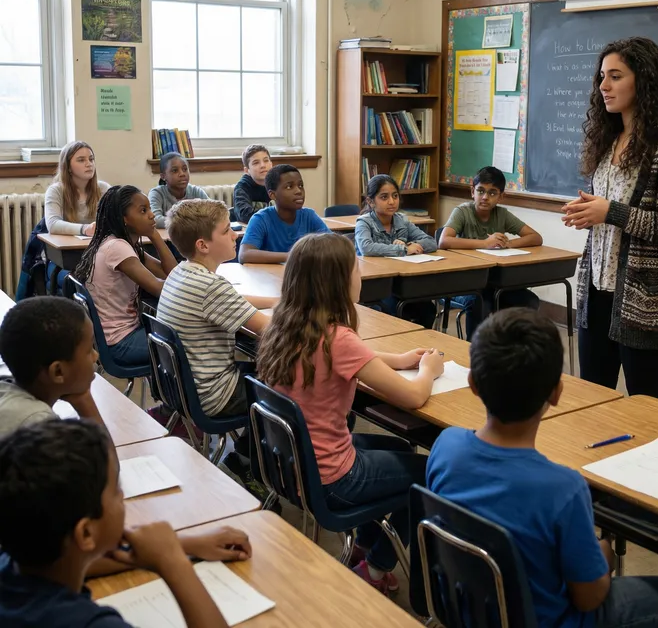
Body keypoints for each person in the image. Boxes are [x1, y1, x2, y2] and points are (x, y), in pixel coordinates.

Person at [427, 308, 658, 628]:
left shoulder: (445, 446)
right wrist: (604, 554)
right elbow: (589, 597)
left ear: (473, 383)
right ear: (557, 393)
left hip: (466, 611)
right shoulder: (563, 488)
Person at [258, 232, 444, 594]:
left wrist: (400, 359)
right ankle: (375, 568)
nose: (360, 276)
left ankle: (363, 542)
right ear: (337, 284)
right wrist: (429, 370)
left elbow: (352, 360)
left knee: (402, 451)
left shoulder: (283, 325)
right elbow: (413, 397)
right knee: (430, 474)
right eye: (355, 270)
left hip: (294, 465)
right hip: (333, 479)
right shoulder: (337, 338)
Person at [0, 419, 252, 628]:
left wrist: (186, 543)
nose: (122, 497)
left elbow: (80, 559)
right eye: (116, 492)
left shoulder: (15, 560)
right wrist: (174, 563)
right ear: (86, 532)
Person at [562, 37, 658, 401]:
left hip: (647, 301)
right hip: (597, 291)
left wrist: (611, 211)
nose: (603, 86)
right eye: (601, 77)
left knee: (647, 402)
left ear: (643, 80)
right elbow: (609, 216)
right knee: (593, 399)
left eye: (615, 76)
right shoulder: (607, 140)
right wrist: (588, 212)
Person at [158, 198, 276, 420]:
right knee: (304, 394)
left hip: (182, 389)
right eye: (227, 230)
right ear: (203, 245)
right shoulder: (210, 287)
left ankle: (247, 450)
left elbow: (233, 300)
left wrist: (275, 301)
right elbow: (273, 330)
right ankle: (249, 453)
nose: (235, 235)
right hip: (216, 395)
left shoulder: (181, 271)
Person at [74, 186, 177, 369]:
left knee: (183, 338)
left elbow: (171, 273)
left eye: (150, 209)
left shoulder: (123, 244)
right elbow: (160, 288)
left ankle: (172, 395)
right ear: (125, 219)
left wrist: (154, 235)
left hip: (119, 335)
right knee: (187, 346)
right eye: (143, 211)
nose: (152, 215)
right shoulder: (117, 248)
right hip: (119, 342)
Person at [438, 165, 543, 339]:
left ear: (501, 197)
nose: (485, 197)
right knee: (479, 303)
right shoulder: (463, 212)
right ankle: (475, 351)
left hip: (493, 282)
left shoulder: (502, 215)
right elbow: (444, 240)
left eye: (492, 193)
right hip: (464, 282)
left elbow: (535, 237)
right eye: (481, 191)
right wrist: (485, 243)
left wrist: (509, 244)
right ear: (472, 192)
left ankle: (511, 350)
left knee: (529, 301)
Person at [0, 297, 102, 439]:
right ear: (58, 372)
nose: (95, 356)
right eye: (89, 350)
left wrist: (81, 397)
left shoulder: (5, 388)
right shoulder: (38, 425)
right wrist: (85, 400)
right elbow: (104, 461)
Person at [355, 174, 437, 328]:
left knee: (428, 310)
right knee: (393, 311)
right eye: (384, 197)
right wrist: (403, 249)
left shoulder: (402, 220)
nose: (391, 202)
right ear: (370, 201)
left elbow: (431, 242)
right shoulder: (364, 222)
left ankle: (419, 345)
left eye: (395, 196)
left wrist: (412, 244)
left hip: (401, 283)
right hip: (375, 285)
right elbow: (366, 248)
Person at [238, 164, 329, 264]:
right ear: (272, 195)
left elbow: (332, 243)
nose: (298, 191)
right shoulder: (261, 219)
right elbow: (244, 255)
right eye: (289, 187)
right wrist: (291, 256)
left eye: (300, 185)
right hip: (269, 276)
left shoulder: (308, 215)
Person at [45, 141, 109, 236]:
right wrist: (85, 229)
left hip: (94, 246)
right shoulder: (55, 190)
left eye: (91, 159)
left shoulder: (103, 188)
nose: (89, 164)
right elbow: (53, 224)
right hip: (65, 247)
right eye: (81, 160)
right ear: (68, 167)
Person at [148, 152, 208, 229]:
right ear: (163, 176)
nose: (182, 174)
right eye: (175, 170)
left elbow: (213, 213)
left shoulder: (196, 191)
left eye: (185, 169)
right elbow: (155, 219)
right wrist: (188, 223)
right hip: (167, 239)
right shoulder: (157, 194)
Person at [233, 144, 272, 224]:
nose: (263, 165)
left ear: (271, 164)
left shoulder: (278, 183)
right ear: (247, 170)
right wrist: (276, 215)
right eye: (256, 163)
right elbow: (244, 214)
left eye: (266, 160)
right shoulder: (242, 187)